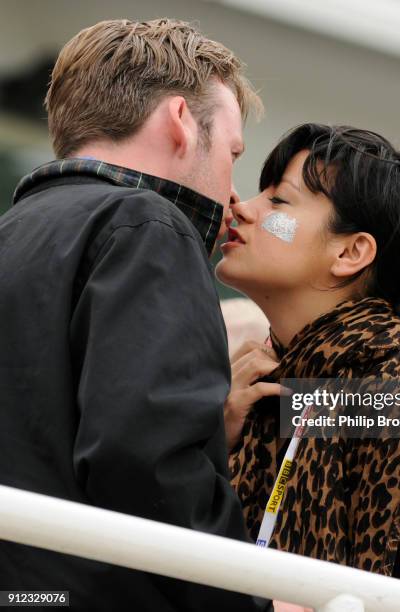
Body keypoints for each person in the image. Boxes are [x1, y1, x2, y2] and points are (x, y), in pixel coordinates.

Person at [0, 19, 270, 612]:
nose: (233, 196)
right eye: (232, 152)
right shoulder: (150, 227)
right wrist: (255, 597)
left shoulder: (13, 235)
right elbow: (144, 463)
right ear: (180, 119)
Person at [218, 123, 400, 594]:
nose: (243, 207)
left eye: (279, 202)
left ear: (351, 251)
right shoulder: (249, 381)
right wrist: (212, 438)